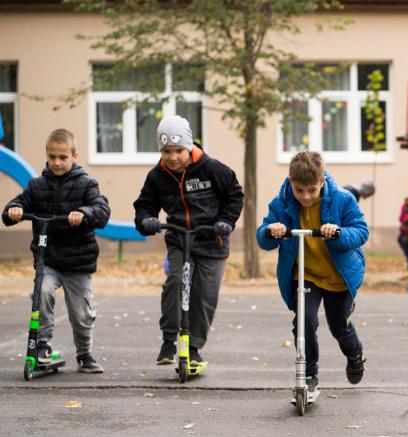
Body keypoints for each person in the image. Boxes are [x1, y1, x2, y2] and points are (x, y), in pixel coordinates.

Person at [256, 151, 369, 398]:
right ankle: (308, 375)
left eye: (312, 190)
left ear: (322, 182)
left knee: (339, 326)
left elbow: (361, 231)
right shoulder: (281, 203)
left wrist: (338, 232)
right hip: (305, 274)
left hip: (338, 276)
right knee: (304, 321)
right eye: (299, 190)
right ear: (290, 183)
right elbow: (263, 237)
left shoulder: (342, 199)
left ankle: (355, 354)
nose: (306, 197)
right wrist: (270, 231)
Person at [134, 115, 243, 366]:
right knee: (175, 283)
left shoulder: (212, 169)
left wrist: (226, 220)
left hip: (212, 240)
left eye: (178, 151)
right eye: (166, 151)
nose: (172, 157)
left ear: (189, 146)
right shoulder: (157, 177)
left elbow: (234, 195)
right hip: (180, 240)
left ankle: (193, 347)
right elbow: (144, 206)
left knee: (205, 296)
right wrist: (146, 221)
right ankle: (169, 339)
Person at [2, 129, 110, 373]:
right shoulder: (37, 185)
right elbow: (16, 205)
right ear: (46, 156)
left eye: (63, 157)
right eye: (52, 157)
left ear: (74, 155)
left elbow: (101, 210)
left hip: (78, 261)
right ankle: (43, 346)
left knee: (81, 313)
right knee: (42, 294)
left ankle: (84, 353)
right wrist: (14, 211)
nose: (57, 162)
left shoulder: (87, 184)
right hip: (48, 259)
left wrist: (84, 213)